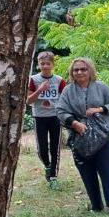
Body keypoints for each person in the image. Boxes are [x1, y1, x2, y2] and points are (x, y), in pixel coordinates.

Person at [56, 57, 109, 214]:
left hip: (103, 133)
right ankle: (96, 204)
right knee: (86, 169)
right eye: (76, 70)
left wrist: (100, 109)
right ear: (72, 72)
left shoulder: (101, 87)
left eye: (83, 69)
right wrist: (74, 123)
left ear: (90, 71)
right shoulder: (68, 90)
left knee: (106, 166)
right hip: (79, 135)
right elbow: (60, 111)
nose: (79, 72)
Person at [27, 53, 65, 185]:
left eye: (48, 63)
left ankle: (53, 177)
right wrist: (40, 90)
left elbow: (65, 99)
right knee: (42, 149)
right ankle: (48, 166)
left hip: (55, 117)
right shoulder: (33, 79)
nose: (45, 66)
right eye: (42, 63)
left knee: (55, 149)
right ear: (38, 64)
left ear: (53, 64)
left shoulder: (59, 80)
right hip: (40, 117)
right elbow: (28, 101)